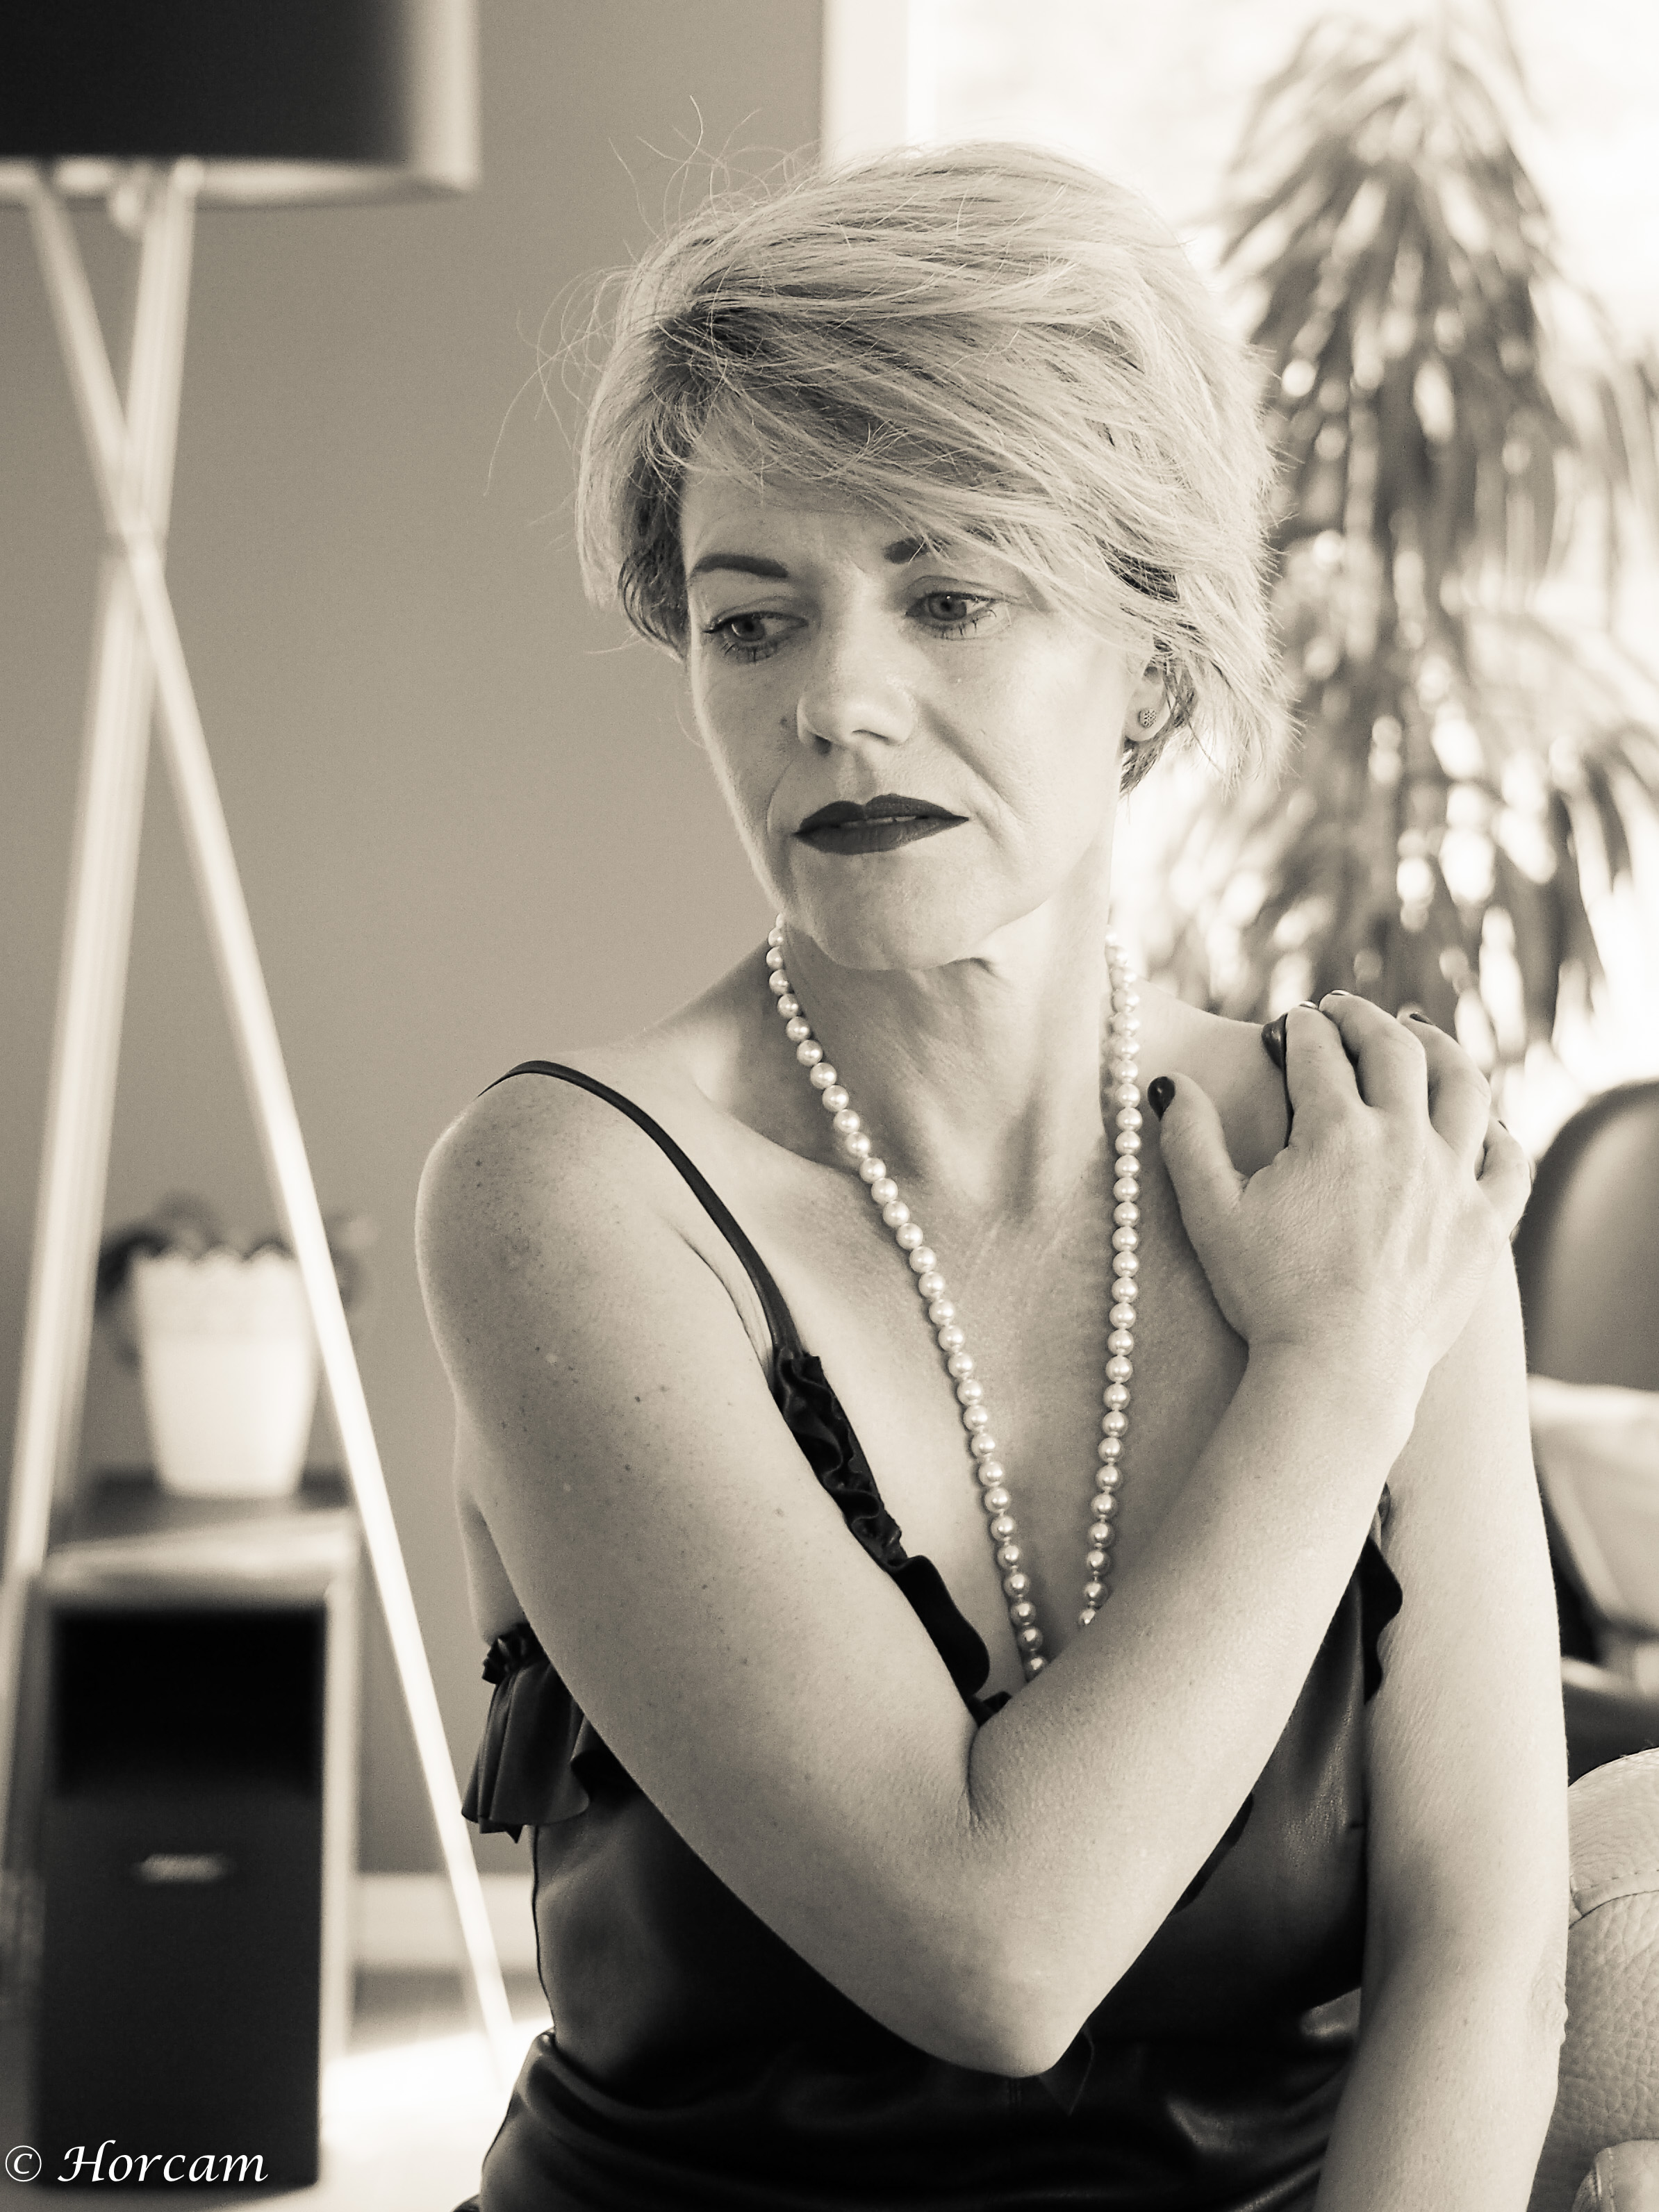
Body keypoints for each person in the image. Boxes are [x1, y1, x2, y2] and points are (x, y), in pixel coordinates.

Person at [418, 144, 1567, 2211]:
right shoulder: (565, 1198)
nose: (833, 706)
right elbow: (994, 1955)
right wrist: (1327, 1377)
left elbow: (1478, 1964)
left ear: (1154, 657)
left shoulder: (1373, 1170)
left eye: (948, 597)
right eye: (749, 622)